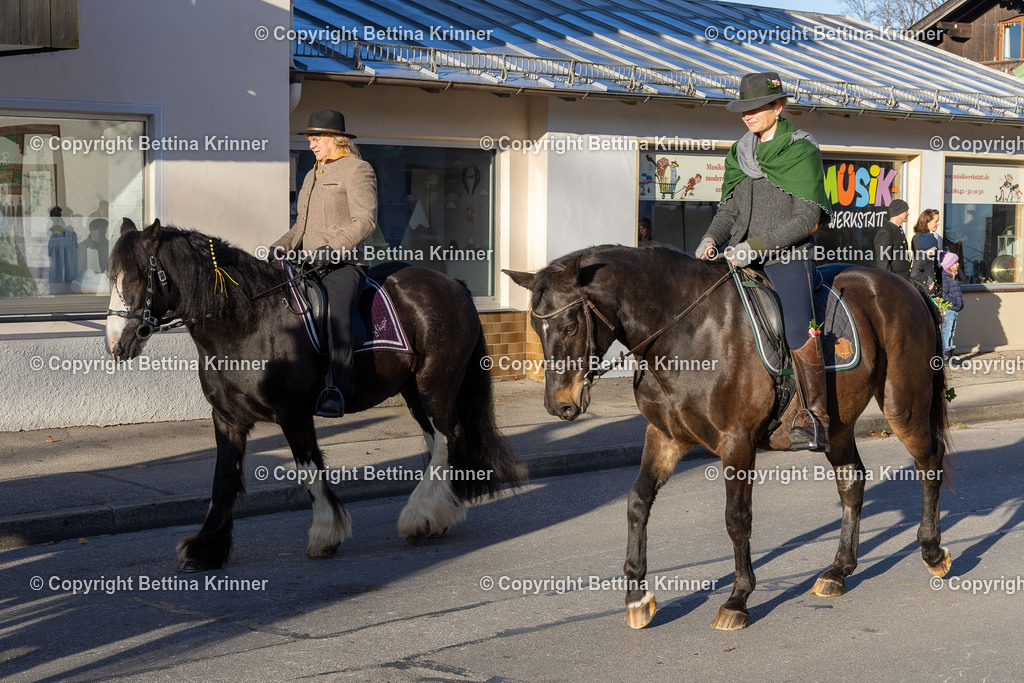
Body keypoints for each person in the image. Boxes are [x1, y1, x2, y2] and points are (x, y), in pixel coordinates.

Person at [696, 71, 833, 452]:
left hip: (788, 257)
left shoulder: (801, 149)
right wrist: (711, 238)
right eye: (743, 109)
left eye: (755, 108)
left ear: (778, 106)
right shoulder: (738, 153)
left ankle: (814, 414)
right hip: (738, 257)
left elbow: (808, 219)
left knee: (795, 328)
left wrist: (755, 246)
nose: (747, 115)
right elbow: (728, 211)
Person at [271, 109, 377, 418]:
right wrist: (278, 248)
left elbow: (366, 221)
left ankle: (338, 389)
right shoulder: (311, 174)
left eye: (315, 139)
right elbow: (299, 228)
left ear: (335, 139)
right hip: (307, 264)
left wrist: (332, 250)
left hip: (344, 265)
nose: (311, 145)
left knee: (335, 316)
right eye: (309, 139)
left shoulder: (357, 169)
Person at [873, 199, 910, 276]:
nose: (908, 214)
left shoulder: (898, 229)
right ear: (898, 212)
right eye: (906, 211)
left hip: (903, 278)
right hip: (894, 280)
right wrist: (892, 280)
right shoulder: (885, 232)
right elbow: (883, 262)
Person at [909, 209, 941, 292]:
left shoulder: (928, 237)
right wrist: (929, 281)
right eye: (936, 221)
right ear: (927, 222)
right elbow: (918, 268)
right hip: (924, 287)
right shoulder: (921, 239)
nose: (938, 224)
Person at [939, 251, 963, 359]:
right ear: (949, 265)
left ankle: (950, 355)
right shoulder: (945, 277)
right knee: (947, 331)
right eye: (955, 262)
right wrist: (955, 302)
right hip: (949, 309)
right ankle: (945, 356)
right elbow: (944, 295)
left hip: (954, 310)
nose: (958, 264)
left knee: (951, 332)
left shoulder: (954, 276)